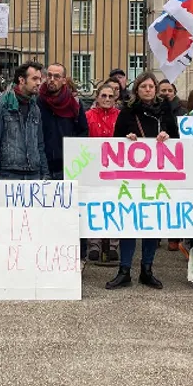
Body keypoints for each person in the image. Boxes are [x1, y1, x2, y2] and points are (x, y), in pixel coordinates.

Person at [105, 72, 177, 291]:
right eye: (143, 86)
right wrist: (128, 139)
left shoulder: (166, 112)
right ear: (137, 90)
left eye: (151, 86)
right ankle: (124, 270)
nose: (148, 89)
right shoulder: (127, 113)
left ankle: (147, 269)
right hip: (132, 177)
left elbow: (177, 139)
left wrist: (167, 136)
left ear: (156, 90)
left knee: (151, 223)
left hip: (158, 176)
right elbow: (116, 140)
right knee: (130, 221)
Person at [0, 61, 49, 182]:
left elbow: (39, 143)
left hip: (33, 173)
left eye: (40, 79)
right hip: (8, 173)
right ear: (22, 80)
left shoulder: (35, 108)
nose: (39, 83)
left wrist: (45, 173)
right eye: (34, 79)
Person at [85, 81, 121, 264]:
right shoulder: (87, 116)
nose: (107, 99)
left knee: (114, 204)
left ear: (115, 98)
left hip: (116, 169)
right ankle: (94, 244)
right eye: (103, 96)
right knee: (95, 205)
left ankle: (113, 244)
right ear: (97, 97)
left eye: (110, 96)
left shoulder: (121, 116)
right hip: (93, 168)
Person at [37, 63, 89, 180]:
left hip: (67, 166)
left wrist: (73, 154)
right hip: (42, 164)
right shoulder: (37, 101)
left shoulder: (74, 103)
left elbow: (83, 131)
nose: (51, 80)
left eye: (56, 77)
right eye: (49, 76)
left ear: (64, 80)